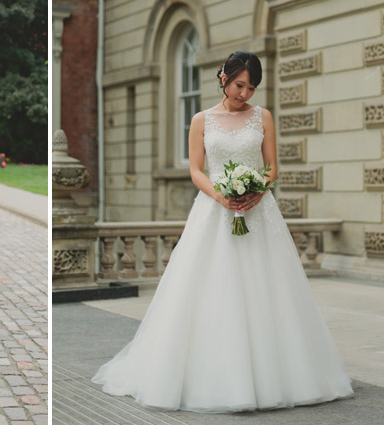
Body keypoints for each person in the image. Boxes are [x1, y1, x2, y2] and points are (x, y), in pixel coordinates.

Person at [92, 51, 353, 412]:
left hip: (259, 214)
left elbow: (272, 166)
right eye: (239, 84)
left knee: (268, 290)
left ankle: (278, 376)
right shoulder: (201, 120)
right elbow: (197, 170)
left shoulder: (263, 117)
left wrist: (256, 191)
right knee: (212, 290)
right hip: (214, 213)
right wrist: (222, 196)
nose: (244, 93)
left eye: (252, 87)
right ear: (223, 77)